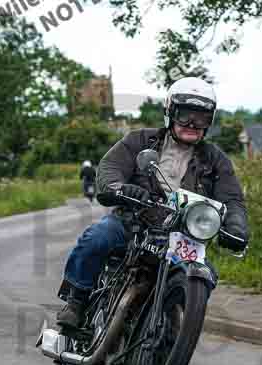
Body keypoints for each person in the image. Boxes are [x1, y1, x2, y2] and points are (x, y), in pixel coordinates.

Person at [55, 77, 249, 330]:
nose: (192, 124)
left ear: (209, 122)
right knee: (98, 237)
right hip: (133, 223)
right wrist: (120, 188)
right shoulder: (140, 141)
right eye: (185, 116)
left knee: (205, 274)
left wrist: (236, 225)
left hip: (183, 238)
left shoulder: (216, 160)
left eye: (200, 118)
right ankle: (77, 300)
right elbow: (110, 167)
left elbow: (232, 198)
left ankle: (172, 329)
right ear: (170, 113)